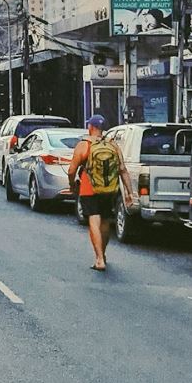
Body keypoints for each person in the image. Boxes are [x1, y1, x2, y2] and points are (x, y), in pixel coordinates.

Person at [67, 116, 131, 272]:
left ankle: (99, 259)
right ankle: (103, 253)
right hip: (109, 189)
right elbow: (122, 169)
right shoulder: (112, 144)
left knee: (94, 221)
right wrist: (129, 192)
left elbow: (71, 170)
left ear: (90, 127)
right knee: (106, 222)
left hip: (89, 189)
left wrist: (72, 184)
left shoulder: (84, 145)